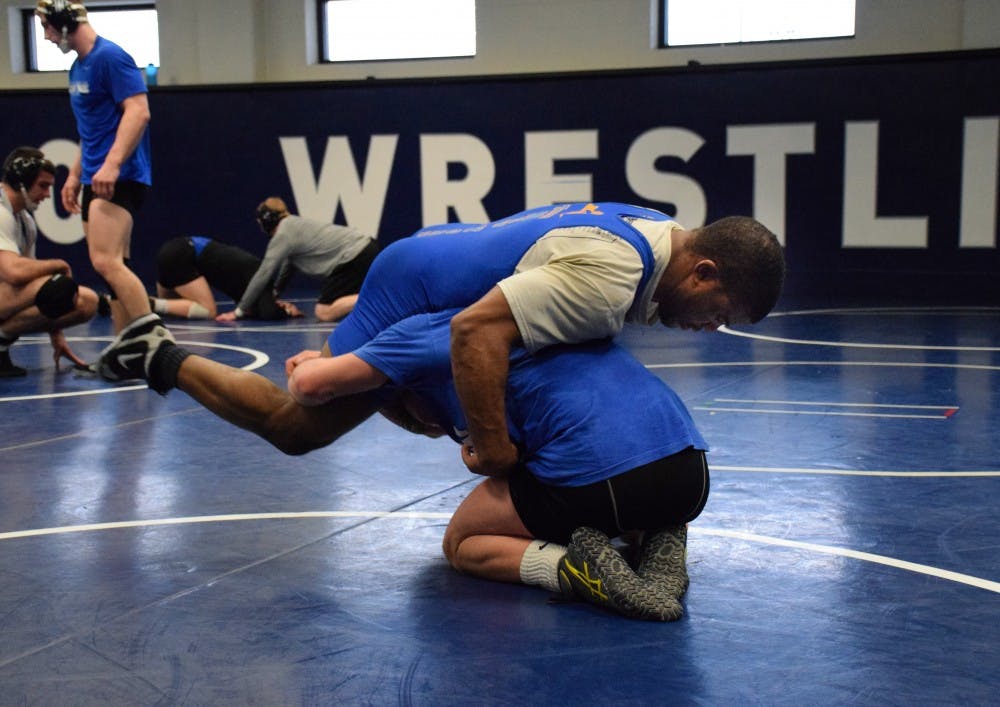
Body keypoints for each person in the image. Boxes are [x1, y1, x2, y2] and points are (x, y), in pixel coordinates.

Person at [91, 305, 708, 620]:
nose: (415, 428)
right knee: (574, 459)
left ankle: (576, 571)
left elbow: (305, 405)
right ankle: (655, 534)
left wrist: (316, 369)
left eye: (393, 408)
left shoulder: (414, 343)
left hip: (606, 475)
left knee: (465, 541)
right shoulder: (504, 319)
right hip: (690, 470)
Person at [329, 201, 784, 477]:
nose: (709, 328)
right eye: (719, 315)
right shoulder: (612, 279)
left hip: (436, 256)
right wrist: (494, 454)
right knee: (300, 422)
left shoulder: (662, 231)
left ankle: (337, 358)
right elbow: (473, 332)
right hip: (414, 286)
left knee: (389, 394)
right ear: (703, 272)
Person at [36, 0, 153, 342]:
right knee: (114, 267)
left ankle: (154, 344)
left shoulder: (110, 58)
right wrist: (74, 174)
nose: (46, 37)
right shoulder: (79, 67)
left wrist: (112, 165)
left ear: (66, 23)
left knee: (106, 262)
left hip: (119, 177)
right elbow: (92, 131)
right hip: (96, 177)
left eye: (48, 27)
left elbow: (138, 112)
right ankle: (125, 346)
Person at [0, 146, 98, 376]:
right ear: (21, 181)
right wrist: (60, 265)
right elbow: (14, 273)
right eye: (43, 186)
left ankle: (1, 342)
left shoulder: (25, 223)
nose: (47, 195)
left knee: (85, 301)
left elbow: (38, 284)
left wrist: (57, 335)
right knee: (59, 283)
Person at [215, 197, 378, 323]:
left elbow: (263, 274)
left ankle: (374, 297)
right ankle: (373, 297)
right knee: (337, 304)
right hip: (365, 249)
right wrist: (276, 292)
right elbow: (289, 265)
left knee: (324, 312)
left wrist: (239, 311)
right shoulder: (293, 225)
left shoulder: (284, 234)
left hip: (354, 255)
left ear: (267, 220)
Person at [148, 235, 303, 320]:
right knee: (208, 311)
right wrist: (285, 312)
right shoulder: (258, 278)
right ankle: (153, 304)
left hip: (175, 249)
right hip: (182, 255)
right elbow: (268, 312)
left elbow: (256, 307)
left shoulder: (246, 276)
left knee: (170, 307)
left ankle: (151, 304)